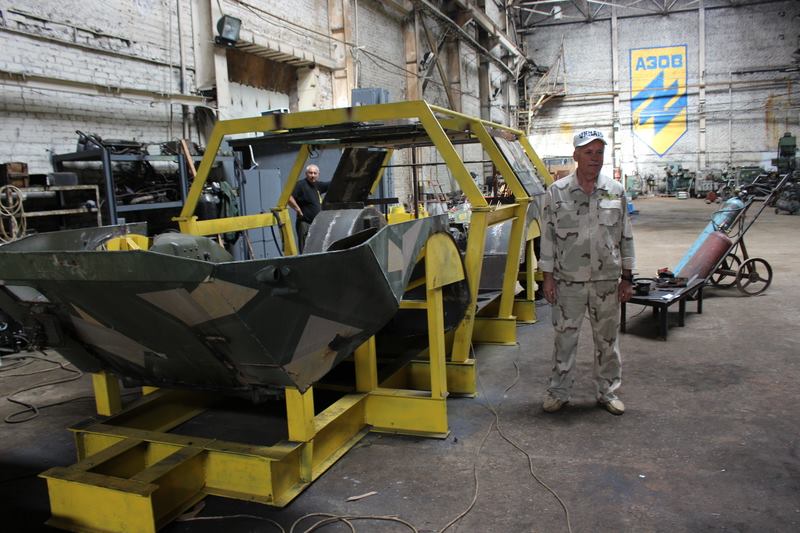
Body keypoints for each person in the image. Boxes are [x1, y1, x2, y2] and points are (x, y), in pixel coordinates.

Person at [538, 129, 635, 415]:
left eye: (599, 152)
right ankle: (558, 392)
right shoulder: (557, 192)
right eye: (588, 152)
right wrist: (547, 278)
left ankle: (608, 392)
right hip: (568, 283)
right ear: (576, 156)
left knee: (608, 342)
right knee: (564, 340)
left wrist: (627, 277)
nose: (595, 158)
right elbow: (548, 238)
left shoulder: (615, 191)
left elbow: (626, 235)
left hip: (607, 282)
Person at [288, 164, 330, 252]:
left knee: (316, 248)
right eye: (310, 173)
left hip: (316, 224)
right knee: (305, 249)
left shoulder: (317, 185)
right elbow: (289, 197)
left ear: (318, 174)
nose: (313, 175)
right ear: (306, 174)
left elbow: (331, 184)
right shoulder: (301, 185)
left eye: (315, 173)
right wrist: (298, 209)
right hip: (305, 223)